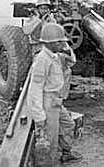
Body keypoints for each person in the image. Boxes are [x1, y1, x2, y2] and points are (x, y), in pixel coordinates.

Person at [26, 23, 81, 166]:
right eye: (59, 41)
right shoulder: (42, 59)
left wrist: (66, 48)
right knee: (50, 139)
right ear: (49, 43)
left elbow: (72, 61)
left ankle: (66, 153)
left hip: (56, 100)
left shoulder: (56, 55)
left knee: (68, 125)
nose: (62, 44)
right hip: (48, 102)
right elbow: (35, 89)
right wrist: (39, 116)